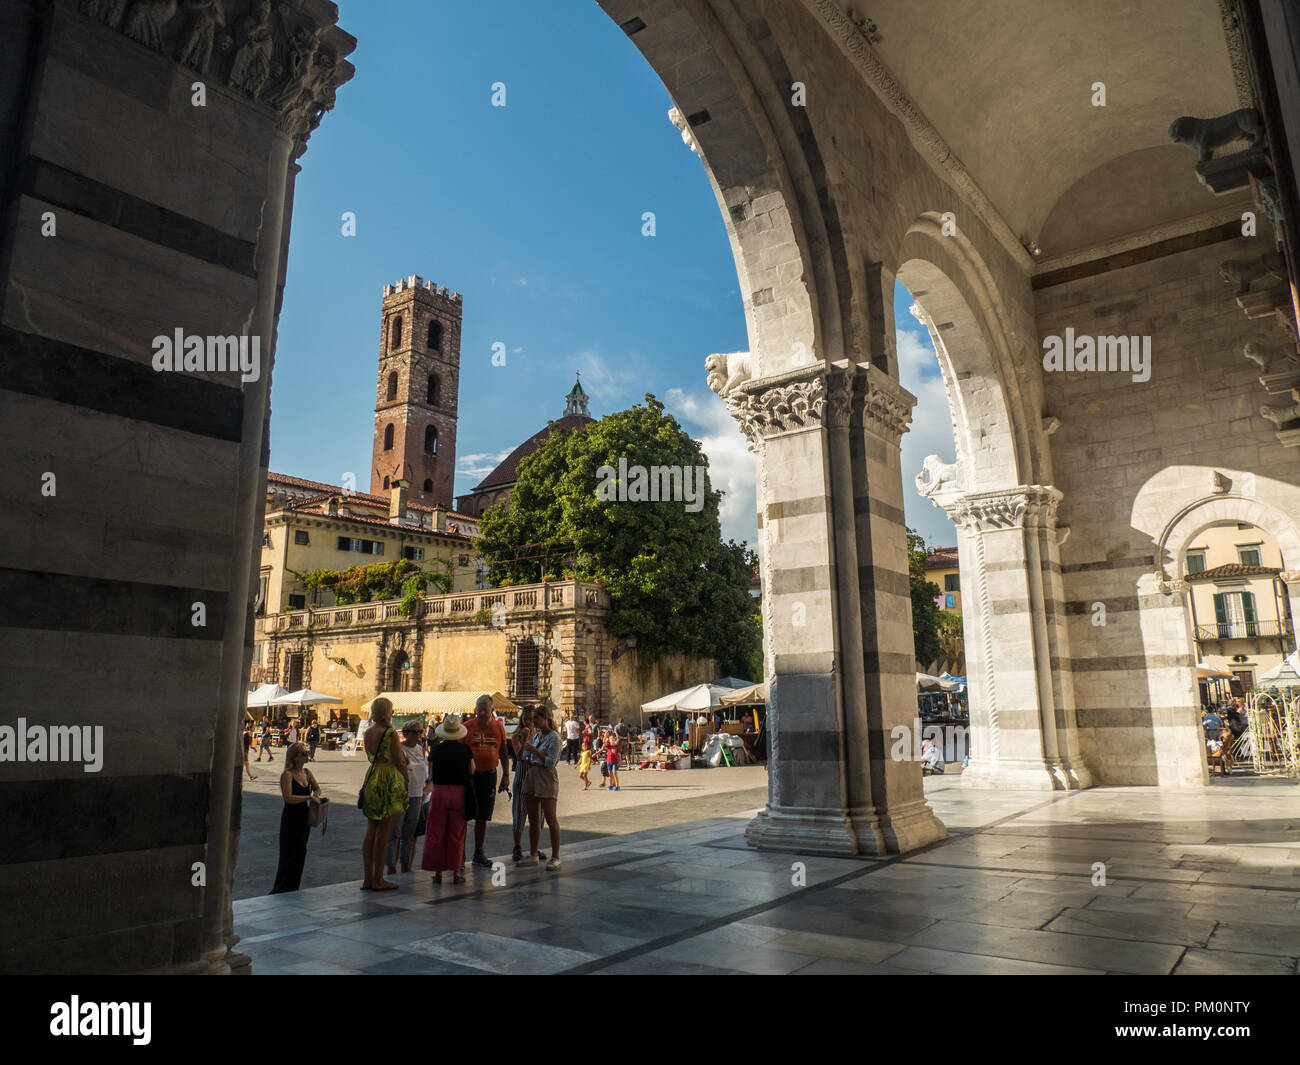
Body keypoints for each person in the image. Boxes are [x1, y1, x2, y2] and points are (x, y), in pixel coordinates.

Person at [359, 697, 408, 891]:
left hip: (372, 780)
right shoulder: (389, 733)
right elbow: (399, 760)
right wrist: (407, 777)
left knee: (371, 831)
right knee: (384, 833)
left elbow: (371, 757)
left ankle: (367, 878)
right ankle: (379, 879)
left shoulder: (368, 732)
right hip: (389, 781)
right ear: (386, 711)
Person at [459, 694, 511, 870]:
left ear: (492, 711)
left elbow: (503, 752)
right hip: (469, 777)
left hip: (489, 776)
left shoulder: (498, 727)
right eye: (478, 709)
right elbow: (457, 753)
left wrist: (506, 775)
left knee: (482, 816)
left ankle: (478, 853)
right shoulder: (466, 728)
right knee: (464, 815)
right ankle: (460, 854)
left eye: (485, 710)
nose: (481, 713)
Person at [422, 713, 474, 884]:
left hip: (440, 793)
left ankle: (437, 873)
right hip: (459, 793)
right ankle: (455, 874)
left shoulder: (436, 748)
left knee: (436, 831)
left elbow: (430, 771)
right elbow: (472, 769)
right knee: (456, 834)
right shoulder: (465, 749)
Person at [270, 741, 320, 893]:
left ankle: (293, 885)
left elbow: (317, 788)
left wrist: (316, 794)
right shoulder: (288, 775)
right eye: (304, 754)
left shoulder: (307, 773)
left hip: (304, 817)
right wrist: (308, 798)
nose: (307, 756)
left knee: (301, 850)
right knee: (288, 852)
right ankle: (281, 887)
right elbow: (288, 798)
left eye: (307, 753)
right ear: (294, 757)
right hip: (291, 818)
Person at [519, 705, 562, 870]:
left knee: (551, 819)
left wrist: (534, 751)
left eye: (536, 718)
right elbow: (525, 756)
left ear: (546, 718)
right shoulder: (536, 736)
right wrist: (525, 744)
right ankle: (533, 854)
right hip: (533, 774)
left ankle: (556, 856)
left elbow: (551, 762)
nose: (533, 721)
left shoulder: (554, 738)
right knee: (533, 818)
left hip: (546, 776)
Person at [387, 720, 430, 874]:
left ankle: (406, 865)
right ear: (406, 734)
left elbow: (427, 776)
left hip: (418, 796)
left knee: (410, 833)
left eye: (421, 731)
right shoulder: (400, 749)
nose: (420, 735)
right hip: (401, 795)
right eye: (415, 732)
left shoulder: (421, 749)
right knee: (396, 832)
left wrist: (425, 792)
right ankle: (391, 867)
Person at [510, 706, 538, 862]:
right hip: (522, 773)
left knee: (538, 814)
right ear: (521, 719)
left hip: (536, 774)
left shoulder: (540, 734)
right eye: (526, 718)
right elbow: (519, 757)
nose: (529, 722)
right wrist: (525, 739)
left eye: (532, 719)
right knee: (519, 811)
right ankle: (517, 846)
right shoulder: (516, 736)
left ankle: (535, 847)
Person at [604, 727, 621, 791]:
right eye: (611, 739)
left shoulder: (616, 746)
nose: (612, 740)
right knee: (610, 774)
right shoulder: (608, 746)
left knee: (614, 773)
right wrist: (605, 736)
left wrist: (620, 761)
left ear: (615, 740)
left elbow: (619, 754)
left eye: (613, 739)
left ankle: (617, 786)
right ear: (609, 741)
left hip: (615, 762)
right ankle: (611, 785)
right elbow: (604, 744)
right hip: (609, 762)